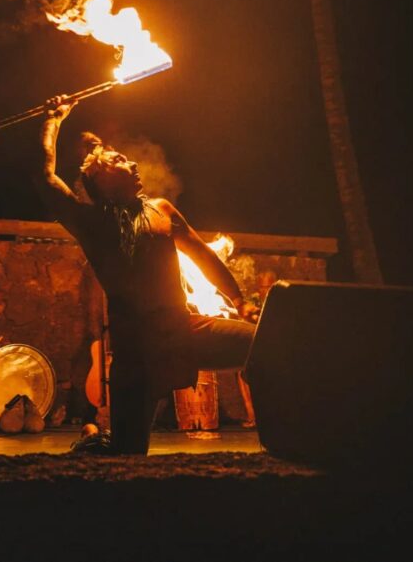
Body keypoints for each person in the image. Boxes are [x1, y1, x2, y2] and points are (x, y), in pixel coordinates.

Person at [34, 96, 260, 455]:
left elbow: (204, 257)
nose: (132, 162)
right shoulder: (91, 223)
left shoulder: (160, 210)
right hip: (136, 350)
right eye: (119, 160)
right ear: (97, 176)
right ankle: (97, 442)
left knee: (264, 345)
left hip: (184, 330)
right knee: (127, 453)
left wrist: (240, 300)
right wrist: (53, 120)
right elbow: (45, 176)